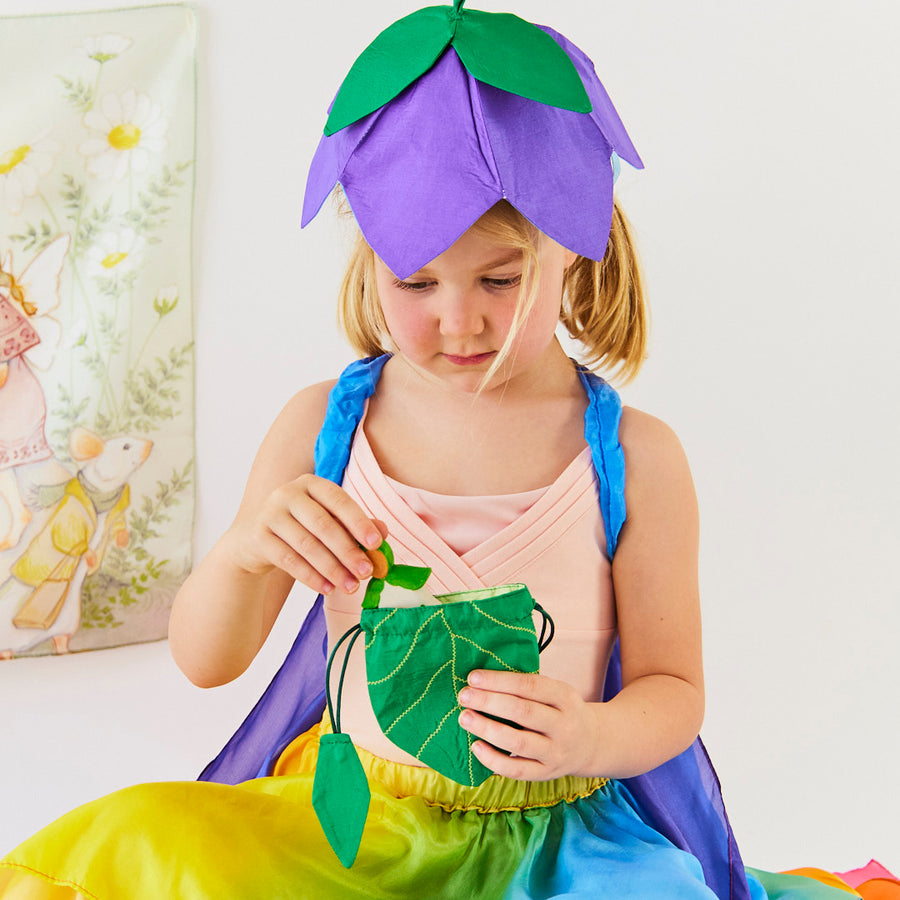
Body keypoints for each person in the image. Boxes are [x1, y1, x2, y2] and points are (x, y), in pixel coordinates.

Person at [0, 3, 893, 898]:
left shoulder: (637, 457)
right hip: (356, 828)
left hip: (560, 842)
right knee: (149, 840)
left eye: (500, 280)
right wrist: (246, 551)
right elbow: (207, 662)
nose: (458, 321)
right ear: (366, 259)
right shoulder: (323, 428)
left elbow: (674, 689)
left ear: (576, 251)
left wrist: (590, 736)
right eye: (415, 280)